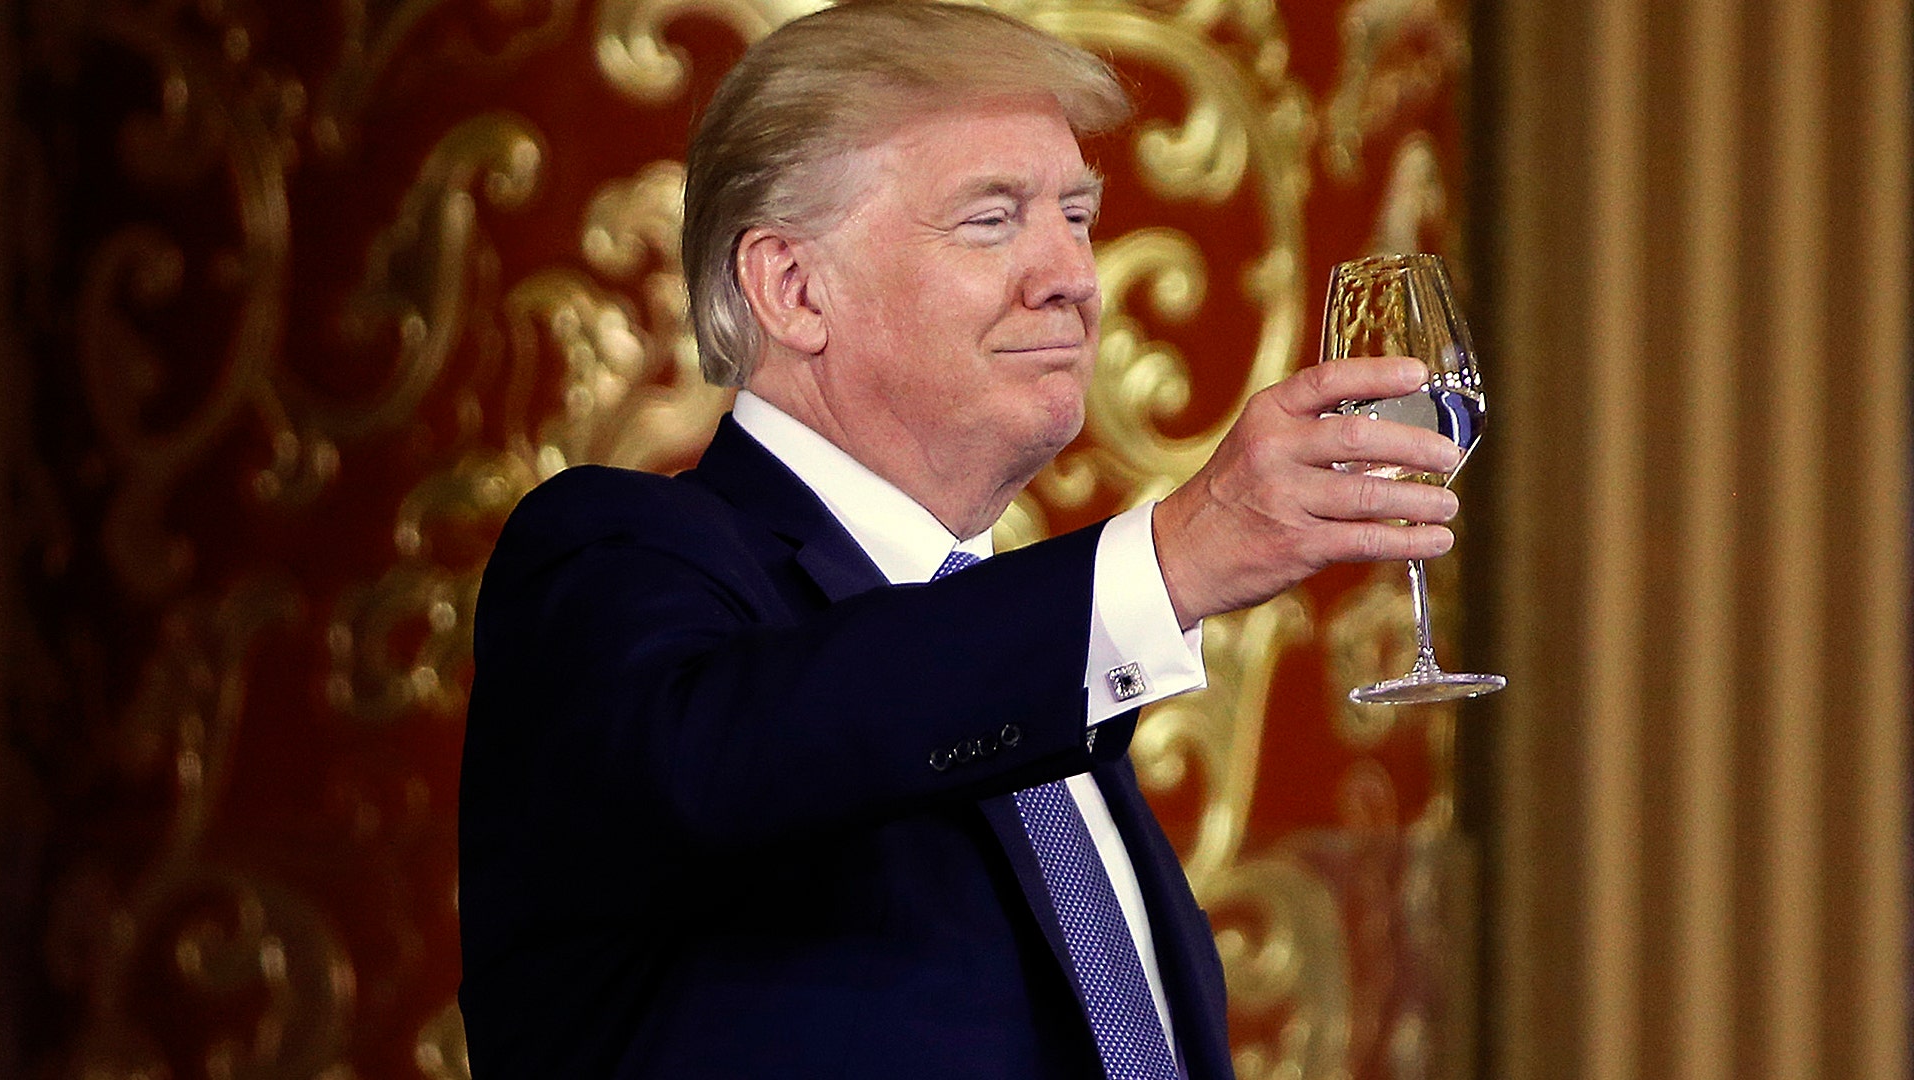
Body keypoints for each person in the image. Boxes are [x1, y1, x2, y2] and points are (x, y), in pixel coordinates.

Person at [455, 2, 1462, 1076]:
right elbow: (741, 754)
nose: (1074, 276)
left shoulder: (1036, 681)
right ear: (793, 289)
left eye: (1076, 215)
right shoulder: (612, 558)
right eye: (992, 220)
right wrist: (1169, 560)